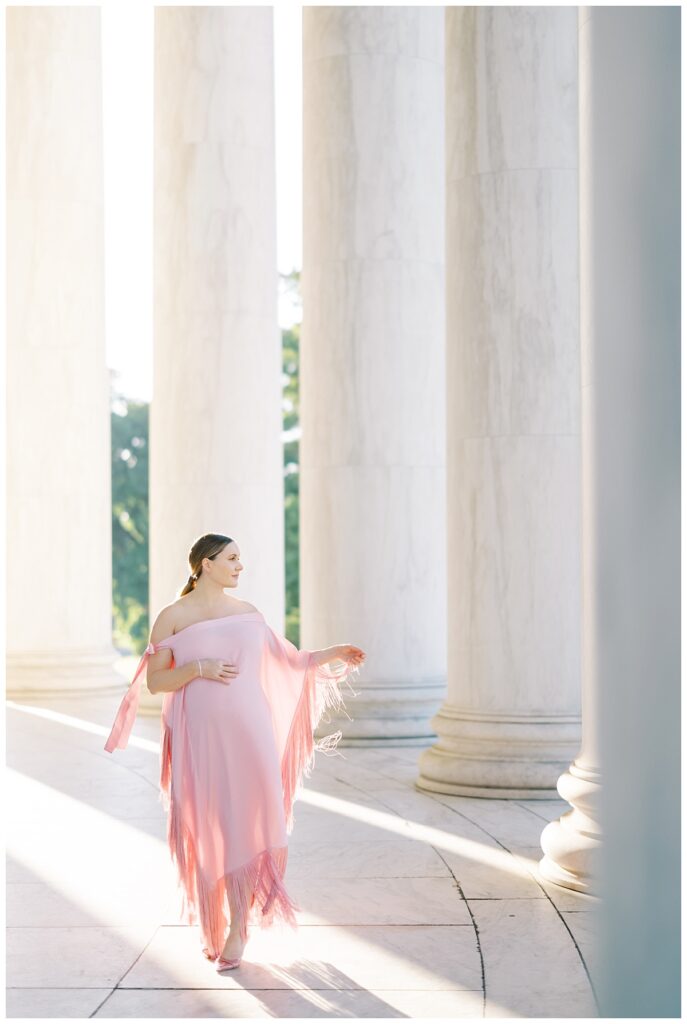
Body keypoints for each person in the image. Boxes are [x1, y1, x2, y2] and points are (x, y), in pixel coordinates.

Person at [104, 532, 365, 971]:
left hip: (250, 732)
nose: (240, 566)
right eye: (232, 558)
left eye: (239, 559)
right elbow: (155, 683)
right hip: (201, 738)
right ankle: (219, 916)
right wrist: (197, 668)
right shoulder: (173, 617)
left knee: (247, 821)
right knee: (211, 824)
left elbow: (289, 660)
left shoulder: (249, 615)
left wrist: (332, 653)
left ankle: (238, 925)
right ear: (206, 563)